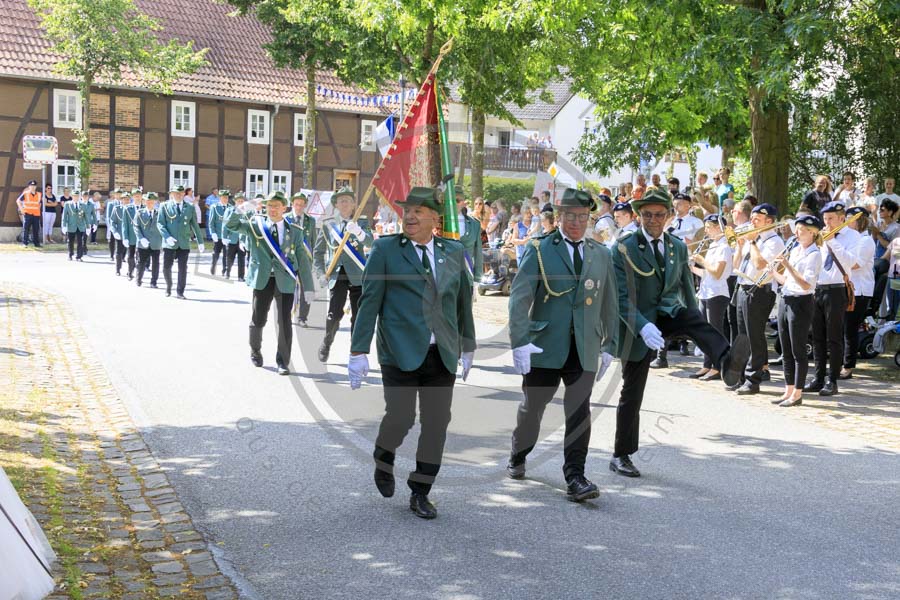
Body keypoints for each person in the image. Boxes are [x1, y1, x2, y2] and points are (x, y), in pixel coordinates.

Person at [347, 187, 476, 519]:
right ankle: (384, 456)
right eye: (407, 211)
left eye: (419, 211)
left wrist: (468, 345)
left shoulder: (453, 251)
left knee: (437, 424)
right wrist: (358, 351)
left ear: (435, 218)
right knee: (401, 418)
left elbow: (462, 302)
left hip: (441, 353)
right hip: (398, 350)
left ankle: (421, 491)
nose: (410, 216)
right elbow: (370, 300)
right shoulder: (386, 249)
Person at [610, 188, 749, 477]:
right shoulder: (623, 247)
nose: (653, 220)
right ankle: (621, 454)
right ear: (639, 216)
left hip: (668, 313)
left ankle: (726, 362)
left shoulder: (676, 246)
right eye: (647, 215)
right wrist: (642, 326)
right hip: (636, 324)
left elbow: (686, 285)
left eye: (659, 215)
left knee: (692, 317)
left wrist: (693, 317)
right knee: (632, 391)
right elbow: (620, 297)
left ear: (669, 216)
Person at [505, 188, 618, 502]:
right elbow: (520, 297)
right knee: (532, 410)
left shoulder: (601, 254)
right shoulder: (540, 249)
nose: (576, 223)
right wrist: (520, 341)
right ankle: (519, 452)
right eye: (570, 216)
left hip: (584, 345)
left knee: (579, 412)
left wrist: (610, 345)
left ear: (590, 219)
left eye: (582, 217)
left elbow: (610, 302)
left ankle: (575, 477)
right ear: (559, 217)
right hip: (544, 345)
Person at [226, 191, 315, 375]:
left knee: (284, 322)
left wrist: (308, 287)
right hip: (262, 280)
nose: (272, 209)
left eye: (276, 206)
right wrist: (241, 209)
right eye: (269, 205)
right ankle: (255, 350)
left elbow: (303, 260)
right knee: (258, 319)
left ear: (284, 208)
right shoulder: (256, 225)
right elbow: (231, 225)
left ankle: (283, 361)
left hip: (285, 281)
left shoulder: (295, 231)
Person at [804, 201, 859, 396]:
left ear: (842, 218)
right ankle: (818, 378)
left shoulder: (853, 236)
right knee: (817, 337)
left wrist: (832, 241)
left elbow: (851, 262)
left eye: (831, 219)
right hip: (818, 288)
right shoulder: (821, 234)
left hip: (836, 290)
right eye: (825, 219)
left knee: (834, 338)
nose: (827, 222)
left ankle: (832, 380)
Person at [313, 186, 373, 362]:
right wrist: (320, 274)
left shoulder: (362, 222)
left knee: (358, 316)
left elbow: (371, 242)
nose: (345, 204)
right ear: (336, 205)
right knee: (334, 314)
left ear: (354, 204)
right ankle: (327, 342)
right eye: (341, 201)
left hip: (357, 274)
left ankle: (356, 352)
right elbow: (318, 253)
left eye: (348, 200)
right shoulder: (328, 225)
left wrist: (359, 232)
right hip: (337, 274)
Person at [770, 215, 824, 406]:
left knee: (798, 350)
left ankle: (798, 393)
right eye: (797, 229)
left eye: (801, 230)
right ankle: (788, 390)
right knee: (785, 348)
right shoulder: (795, 250)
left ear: (812, 233)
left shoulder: (814, 254)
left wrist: (787, 265)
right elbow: (788, 281)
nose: (797, 233)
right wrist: (773, 272)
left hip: (801, 302)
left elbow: (805, 284)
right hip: (786, 298)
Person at [731, 204, 785, 394]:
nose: (752, 221)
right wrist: (740, 246)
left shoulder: (774, 241)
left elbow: (760, 264)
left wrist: (752, 242)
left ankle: (753, 379)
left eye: (757, 219)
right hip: (743, 287)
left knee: (754, 335)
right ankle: (740, 376)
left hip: (760, 290)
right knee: (742, 336)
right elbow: (736, 265)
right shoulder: (753, 238)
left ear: (769, 221)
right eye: (752, 217)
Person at [688, 214, 734, 380]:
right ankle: (707, 365)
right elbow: (707, 274)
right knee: (704, 331)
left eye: (708, 227)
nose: (706, 231)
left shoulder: (724, 247)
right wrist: (691, 268)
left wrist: (701, 260)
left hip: (717, 293)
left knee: (715, 331)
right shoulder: (714, 245)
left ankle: (717, 366)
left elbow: (717, 273)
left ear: (717, 228)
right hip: (706, 291)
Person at [840, 207, 876, 379]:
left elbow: (855, 264)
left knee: (850, 328)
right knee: (841, 327)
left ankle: (848, 366)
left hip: (859, 290)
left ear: (860, 221)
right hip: (846, 287)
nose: (846, 222)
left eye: (850, 219)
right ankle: (839, 362)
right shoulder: (850, 240)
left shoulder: (865, 241)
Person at [157, 185, 205, 299]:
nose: (178, 195)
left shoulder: (190, 207)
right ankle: (169, 286)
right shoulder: (164, 206)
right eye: (176, 193)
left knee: (183, 268)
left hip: (183, 242)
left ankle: (180, 292)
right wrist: (167, 237)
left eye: (180, 193)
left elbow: (194, 225)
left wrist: (200, 241)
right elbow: (160, 223)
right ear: (171, 194)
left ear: (184, 194)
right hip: (169, 243)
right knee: (166, 267)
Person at [286, 191, 317, 327]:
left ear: (305, 206)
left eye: (301, 205)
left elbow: (313, 241)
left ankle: (302, 317)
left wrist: (314, 261)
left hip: (305, 260)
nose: (299, 207)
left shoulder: (311, 221)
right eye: (296, 204)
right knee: (287, 288)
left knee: (306, 289)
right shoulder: (286, 219)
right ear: (292, 204)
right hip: (289, 260)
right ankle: (287, 315)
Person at [134, 192, 163, 288]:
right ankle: (138, 279)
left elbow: (163, 226)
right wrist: (141, 238)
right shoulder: (139, 213)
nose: (150, 203)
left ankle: (154, 282)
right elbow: (136, 226)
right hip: (143, 243)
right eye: (148, 201)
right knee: (141, 262)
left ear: (155, 202)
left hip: (156, 242)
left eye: (152, 201)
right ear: (144, 202)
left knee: (155, 263)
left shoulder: (159, 213)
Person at [455, 189, 483, 284]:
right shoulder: (439, 223)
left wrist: (478, 277)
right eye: (450, 200)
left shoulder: (474, 224)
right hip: (445, 278)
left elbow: (478, 251)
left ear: (463, 202)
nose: (453, 204)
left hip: (467, 276)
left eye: (457, 200)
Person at [60, 190, 93, 261]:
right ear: (72, 196)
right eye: (74, 196)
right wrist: (64, 225)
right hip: (71, 225)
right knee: (70, 241)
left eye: (77, 196)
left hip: (80, 226)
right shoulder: (67, 204)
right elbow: (64, 216)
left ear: (79, 197)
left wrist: (88, 226)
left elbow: (86, 216)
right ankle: (70, 254)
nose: (76, 197)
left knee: (80, 242)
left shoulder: (83, 205)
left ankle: (79, 256)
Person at [223, 192, 248, 281]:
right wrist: (224, 236)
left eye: (242, 201)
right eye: (238, 201)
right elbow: (225, 224)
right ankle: (227, 273)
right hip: (231, 238)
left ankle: (241, 276)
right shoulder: (230, 210)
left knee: (242, 258)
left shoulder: (246, 211)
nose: (240, 202)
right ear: (235, 201)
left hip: (242, 239)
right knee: (230, 257)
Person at [207, 189, 231, 276]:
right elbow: (211, 222)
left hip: (227, 235)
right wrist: (213, 233)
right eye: (224, 197)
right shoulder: (215, 207)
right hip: (218, 234)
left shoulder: (230, 207)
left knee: (226, 254)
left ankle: (225, 270)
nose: (225, 199)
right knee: (216, 253)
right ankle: (213, 266)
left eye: (227, 197)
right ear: (220, 198)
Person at [120, 188, 142, 281]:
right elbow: (124, 224)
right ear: (133, 197)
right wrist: (125, 237)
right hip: (131, 236)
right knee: (131, 256)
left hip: (142, 237)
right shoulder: (128, 209)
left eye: (139, 196)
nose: (137, 197)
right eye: (135, 196)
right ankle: (130, 272)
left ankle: (138, 275)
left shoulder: (144, 208)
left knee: (140, 257)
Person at [109, 189, 131, 276]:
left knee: (131, 254)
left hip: (130, 235)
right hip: (120, 234)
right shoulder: (117, 209)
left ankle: (130, 270)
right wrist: (115, 232)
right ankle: (118, 269)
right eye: (124, 199)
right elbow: (112, 221)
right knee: (119, 253)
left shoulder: (132, 209)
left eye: (128, 199)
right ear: (121, 200)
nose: (126, 201)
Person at [16, 180, 42, 248]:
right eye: (31, 186)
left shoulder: (39, 194)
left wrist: (38, 209)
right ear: (29, 187)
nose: (33, 187)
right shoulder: (25, 193)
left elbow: (40, 203)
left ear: (36, 187)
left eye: (34, 186)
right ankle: (25, 243)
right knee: (26, 229)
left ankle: (36, 243)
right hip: (27, 214)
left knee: (36, 229)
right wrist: (22, 210)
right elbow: (18, 201)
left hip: (36, 215)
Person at [105, 188, 123, 260]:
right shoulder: (111, 203)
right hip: (113, 225)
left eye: (120, 194)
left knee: (122, 241)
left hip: (121, 225)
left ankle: (122, 256)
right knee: (112, 240)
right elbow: (108, 216)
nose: (118, 196)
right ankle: (112, 255)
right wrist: (110, 227)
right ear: (114, 195)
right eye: (117, 194)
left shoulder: (124, 203)